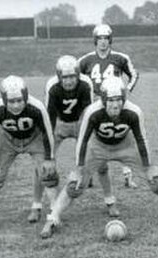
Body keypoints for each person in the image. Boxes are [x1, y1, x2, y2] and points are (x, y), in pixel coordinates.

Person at [39, 77, 158, 239]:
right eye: (111, 100)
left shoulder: (134, 111)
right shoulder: (93, 112)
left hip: (125, 145)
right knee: (74, 185)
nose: (116, 104)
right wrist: (79, 168)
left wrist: (148, 166)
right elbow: (82, 141)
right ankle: (53, 217)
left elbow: (141, 139)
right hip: (98, 147)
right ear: (103, 100)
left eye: (119, 99)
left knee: (156, 180)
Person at [0, 75, 58, 232]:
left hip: (34, 137)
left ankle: (55, 212)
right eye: (11, 101)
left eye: (19, 100)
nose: (16, 105)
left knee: (47, 173)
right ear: (4, 100)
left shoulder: (36, 107)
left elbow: (47, 132)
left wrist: (49, 158)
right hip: (7, 139)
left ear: (25, 96)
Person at [78, 24, 139, 188]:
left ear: (110, 40)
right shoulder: (85, 60)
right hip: (95, 101)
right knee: (90, 137)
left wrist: (127, 89)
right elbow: (77, 79)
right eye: (100, 39)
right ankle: (88, 174)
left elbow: (134, 74)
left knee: (123, 134)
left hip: (115, 101)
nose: (103, 42)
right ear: (95, 40)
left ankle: (127, 175)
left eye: (106, 38)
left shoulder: (120, 58)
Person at [42, 55, 93, 221]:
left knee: (92, 154)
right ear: (59, 77)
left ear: (78, 75)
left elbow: (88, 115)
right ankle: (44, 203)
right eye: (65, 77)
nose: (69, 81)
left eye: (72, 76)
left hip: (79, 122)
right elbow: (49, 119)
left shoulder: (86, 84)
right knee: (44, 161)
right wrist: (48, 152)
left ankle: (108, 198)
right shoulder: (52, 87)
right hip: (59, 123)